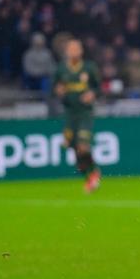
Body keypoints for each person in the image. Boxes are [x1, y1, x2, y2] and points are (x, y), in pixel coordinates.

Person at [53, 39, 102, 193]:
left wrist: (92, 94)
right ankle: (89, 177)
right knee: (72, 146)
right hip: (69, 113)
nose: (74, 51)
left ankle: (94, 172)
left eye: (76, 48)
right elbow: (54, 88)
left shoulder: (89, 68)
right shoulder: (61, 69)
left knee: (83, 145)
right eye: (71, 48)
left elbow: (99, 88)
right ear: (67, 52)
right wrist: (58, 91)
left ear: (81, 51)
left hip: (84, 112)